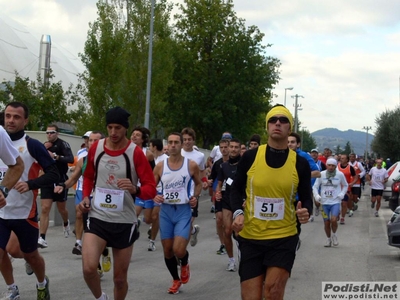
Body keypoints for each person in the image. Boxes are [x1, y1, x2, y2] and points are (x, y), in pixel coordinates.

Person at [230, 104, 312, 300]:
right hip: (251, 237)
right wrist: (237, 213)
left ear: (289, 129)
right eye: (273, 120)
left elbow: (307, 196)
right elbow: (235, 189)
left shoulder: (300, 163)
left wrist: (306, 211)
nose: (277, 123)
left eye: (283, 120)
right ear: (267, 127)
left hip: (284, 237)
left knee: (273, 293)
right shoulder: (250, 157)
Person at [79, 106, 156, 300]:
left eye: (118, 128)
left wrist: (135, 189)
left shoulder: (135, 153)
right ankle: (100, 297)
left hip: (124, 220)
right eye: (110, 127)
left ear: (126, 129)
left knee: (120, 279)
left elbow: (151, 189)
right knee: (89, 269)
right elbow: (88, 177)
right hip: (98, 216)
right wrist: (87, 196)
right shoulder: (96, 148)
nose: (113, 132)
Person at [0, 101, 58, 300]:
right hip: (1, 211)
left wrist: (31, 184)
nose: (11, 120)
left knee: (25, 253)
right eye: (7, 116)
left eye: (16, 117)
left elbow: (54, 173)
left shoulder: (31, 145)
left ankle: (42, 283)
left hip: (24, 212)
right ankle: (12, 289)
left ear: (25, 120)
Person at [153, 132, 202, 294]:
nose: (173, 145)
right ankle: (175, 279)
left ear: (181, 145)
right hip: (166, 211)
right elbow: (151, 185)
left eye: (176, 142)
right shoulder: (160, 166)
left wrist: (194, 197)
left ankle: (185, 263)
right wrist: (155, 195)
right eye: (171, 142)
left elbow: (198, 184)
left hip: (183, 211)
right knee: (167, 250)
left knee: (178, 250)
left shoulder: (191, 165)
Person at [54, 131, 104, 256]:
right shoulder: (83, 160)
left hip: (103, 198)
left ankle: (104, 250)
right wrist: (62, 186)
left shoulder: (109, 160)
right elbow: (73, 179)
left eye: (95, 140)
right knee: (82, 218)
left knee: (101, 232)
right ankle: (79, 243)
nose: (91, 143)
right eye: (90, 140)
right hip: (86, 194)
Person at [38, 124, 74, 248]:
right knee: (45, 208)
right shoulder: (44, 145)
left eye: (52, 132)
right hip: (47, 180)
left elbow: (70, 158)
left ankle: (65, 222)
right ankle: (42, 237)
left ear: (57, 133)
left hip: (60, 180)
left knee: (61, 209)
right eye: (47, 133)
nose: (49, 135)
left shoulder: (63, 144)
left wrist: (56, 156)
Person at [215, 138, 242, 271]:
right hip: (227, 199)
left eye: (236, 147)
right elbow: (220, 182)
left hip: (241, 200)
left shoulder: (245, 164)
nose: (233, 149)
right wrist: (218, 192)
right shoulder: (224, 166)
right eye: (231, 147)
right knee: (227, 231)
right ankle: (231, 260)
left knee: (239, 232)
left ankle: (242, 254)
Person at [181, 127, 208, 247]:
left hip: (193, 193)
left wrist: (204, 181)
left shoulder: (200, 156)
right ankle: (193, 231)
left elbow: (202, 171)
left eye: (189, 139)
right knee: (183, 224)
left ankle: (182, 253)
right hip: (179, 192)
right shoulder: (177, 152)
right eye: (185, 139)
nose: (187, 142)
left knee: (187, 222)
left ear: (193, 140)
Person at [312, 157, 348, 247]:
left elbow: (345, 185)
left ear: (335, 166)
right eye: (329, 165)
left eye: (333, 166)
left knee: (334, 220)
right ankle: (328, 239)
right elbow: (315, 186)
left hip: (335, 201)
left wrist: (342, 194)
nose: (331, 167)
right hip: (324, 203)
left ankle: (334, 235)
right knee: (327, 222)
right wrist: (316, 196)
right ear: (326, 165)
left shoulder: (340, 175)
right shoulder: (321, 174)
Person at [147, 138, 169, 251]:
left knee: (155, 216)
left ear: (155, 147)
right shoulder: (150, 158)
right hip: (149, 190)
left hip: (160, 191)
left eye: (150, 146)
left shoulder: (166, 159)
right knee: (147, 218)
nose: (149, 148)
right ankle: (146, 225)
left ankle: (152, 241)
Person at [210, 139, 230, 255]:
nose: (223, 149)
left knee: (229, 224)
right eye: (221, 147)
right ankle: (222, 244)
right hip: (220, 194)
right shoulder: (217, 164)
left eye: (225, 147)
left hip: (232, 195)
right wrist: (207, 183)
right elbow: (211, 178)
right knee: (219, 219)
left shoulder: (236, 162)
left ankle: (230, 241)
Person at [337, 154, 357, 224]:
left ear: (346, 160)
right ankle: (337, 214)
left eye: (343, 158)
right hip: (337, 188)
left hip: (346, 188)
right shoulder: (337, 166)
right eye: (341, 158)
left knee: (344, 203)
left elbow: (355, 177)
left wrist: (352, 183)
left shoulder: (350, 168)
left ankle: (342, 218)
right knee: (337, 203)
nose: (341, 159)